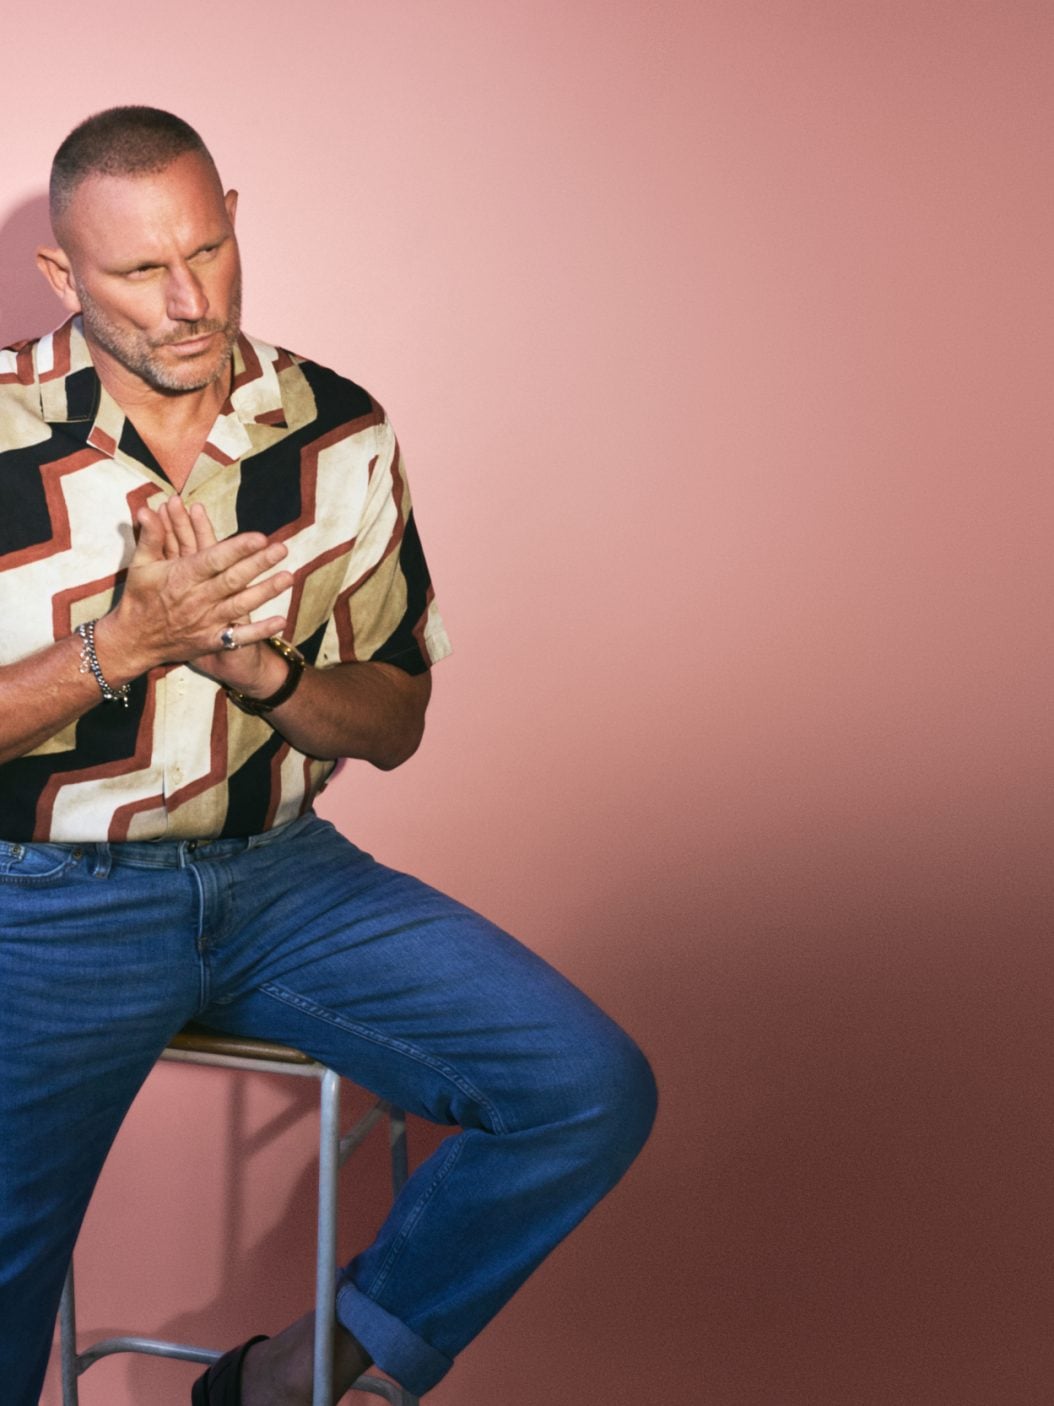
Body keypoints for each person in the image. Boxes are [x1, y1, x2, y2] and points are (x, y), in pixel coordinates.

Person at [0, 107, 656, 1406]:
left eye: (208, 249)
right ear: (63, 276)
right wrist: (124, 646)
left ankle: (288, 1379)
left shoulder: (335, 427)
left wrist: (273, 678)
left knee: (583, 1087)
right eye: (141, 270)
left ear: (235, 218)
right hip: (44, 899)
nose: (190, 301)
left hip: (284, 880)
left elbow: (397, 721)